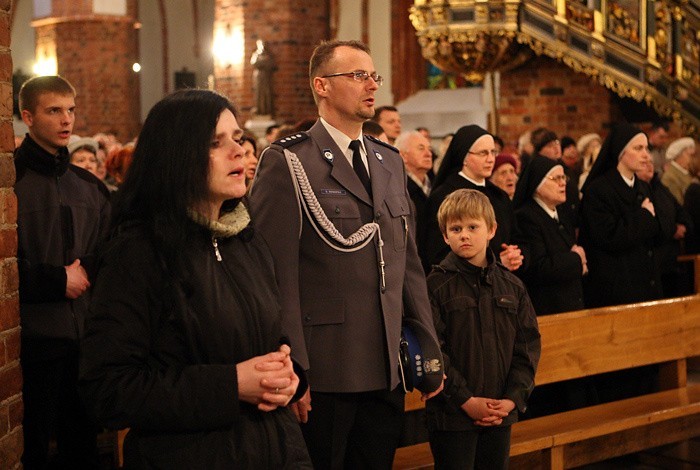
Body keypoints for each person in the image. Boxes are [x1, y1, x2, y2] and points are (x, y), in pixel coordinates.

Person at [79, 89, 311, 469]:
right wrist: (231, 385)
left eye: (237, 139)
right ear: (176, 156)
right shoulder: (140, 251)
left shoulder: (244, 238)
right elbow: (107, 389)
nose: (238, 152)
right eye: (215, 143)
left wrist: (289, 373)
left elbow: (263, 335)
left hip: (277, 450)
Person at [248, 40, 443, 469]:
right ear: (322, 85)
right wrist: (296, 367)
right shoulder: (289, 161)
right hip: (328, 366)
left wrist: (428, 346)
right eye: (358, 76)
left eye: (374, 76)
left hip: (385, 365)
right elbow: (276, 275)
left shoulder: (388, 160)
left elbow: (407, 264)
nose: (371, 85)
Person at [15, 75, 110, 469]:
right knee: (32, 450)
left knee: (82, 448)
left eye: (70, 109)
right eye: (54, 110)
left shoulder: (89, 186)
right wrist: (57, 280)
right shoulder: (11, 185)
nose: (66, 119)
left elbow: (110, 249)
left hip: (82, 342)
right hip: (31, 344)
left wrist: (86, 269)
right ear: (28, 116)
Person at [426, 189, 540, 470]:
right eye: (456, 228)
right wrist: (466, 400)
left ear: (491, 229)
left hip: (500, 413)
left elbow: (527, 349)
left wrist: (512, 400)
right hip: (452, 417)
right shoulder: (435, 286)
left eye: (472, 227)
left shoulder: (512, 286)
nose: (464, 235)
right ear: (444, 235)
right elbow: (433, 351)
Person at [579, 122, 662, 308]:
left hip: (645, 282)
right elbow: (609, 237)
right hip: (617, 288)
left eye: (646, 148)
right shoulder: (599, 190)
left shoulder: (643, 187)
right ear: (621, 152)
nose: (646, 155)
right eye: (638, 148)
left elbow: (656, 231)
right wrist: (643, 216)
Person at [423, 124, 523, 272]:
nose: (490, 159)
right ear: (464, 157)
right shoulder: (443, 197)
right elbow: (435, 253)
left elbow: (517, 237)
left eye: (493, 152)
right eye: (483, 153)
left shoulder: (499, 195)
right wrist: (495, 261)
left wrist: (517, 254)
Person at [512, 156, 586, 315]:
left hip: (571, 304)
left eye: (563, 177)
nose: (563, 183)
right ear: (538, 185)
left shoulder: (562, 213)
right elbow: (539, 267)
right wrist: (577, 259)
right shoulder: (526, 217)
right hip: (548, 307)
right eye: (556, 178)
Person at [637, 160, 693, 298]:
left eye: (651, 162)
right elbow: (655, 221)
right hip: (656, 261)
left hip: (673, 258)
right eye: (644, 164)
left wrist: (684, 225)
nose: (650, 166)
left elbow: (680, 210)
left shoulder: (659, 186)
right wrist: (673, 229)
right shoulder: (638, 190)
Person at [395, 130, 433, 262]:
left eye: (429, 149)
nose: (428, 154)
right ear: (403, 156)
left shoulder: (436, 186)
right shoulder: (397, 188)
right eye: (421, 149)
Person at [661, 137, 696, 205]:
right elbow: (678, 204)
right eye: (690, 155)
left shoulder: (689, 172)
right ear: (680, 155)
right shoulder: (670, 177)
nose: (692, 159)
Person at [250, 39, 276, 116]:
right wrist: (263, 62)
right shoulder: (256, 54)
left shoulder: (268, 55)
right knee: (258, 93)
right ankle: (259, 110)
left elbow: (271, 64)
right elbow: (254, 63)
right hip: (258, 76)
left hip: (266, 76)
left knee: (267, 92)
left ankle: (267, 110)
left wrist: (262, 63)